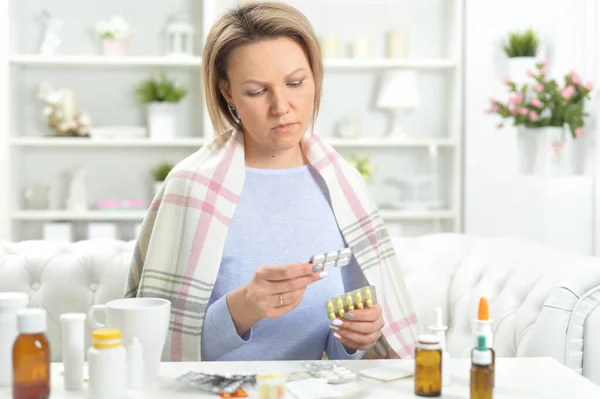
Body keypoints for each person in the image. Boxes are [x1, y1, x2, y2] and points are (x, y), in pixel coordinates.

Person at [124, 2, 418, 363]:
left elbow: (337, 348)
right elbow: (158, 349)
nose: (282, 106)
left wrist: (355, 338)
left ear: (315, 76)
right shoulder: (190, 188)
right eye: (256, 91)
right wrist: (242, 309)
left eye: (295, 83)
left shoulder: (342, 187)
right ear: (227, 92)